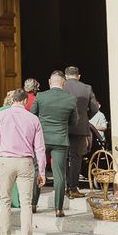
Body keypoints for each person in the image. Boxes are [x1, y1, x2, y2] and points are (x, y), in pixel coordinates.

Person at [0, 89, 46, 235]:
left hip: (6, 161)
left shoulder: (1, 116)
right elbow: (40, 148)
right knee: (26, 204)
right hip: (26, 162)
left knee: (5, 201)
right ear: (26, 102)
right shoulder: (33, 119)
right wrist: (41, 171)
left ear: (12, 100)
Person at [30, 71, 78, 216]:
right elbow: (74, 122)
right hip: (60, 139)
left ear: (50, 82)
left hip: (42, 139)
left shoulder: (41, 96)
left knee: (38, 170)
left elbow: (32, 116)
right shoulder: (71, 99)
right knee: (59, 174)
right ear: (63, 83)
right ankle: (58, 209)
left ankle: (33, 204)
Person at [63, 66, 99, 199]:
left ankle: (65, 186)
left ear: (66, 76)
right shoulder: (87, 88)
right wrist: (84, 118)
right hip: (80, 127)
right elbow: (95, 109)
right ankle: (73, 188)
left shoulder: (62, 87)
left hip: (64, 127)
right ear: (79, 76)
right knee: (76, 157)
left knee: (64, 157)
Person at [0, 90, 19, 208]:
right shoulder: (16, 112)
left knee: (1, 176)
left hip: (1, 147)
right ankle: (15, 201)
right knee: (15, 176)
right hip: (13, 146)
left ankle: (0, 199)